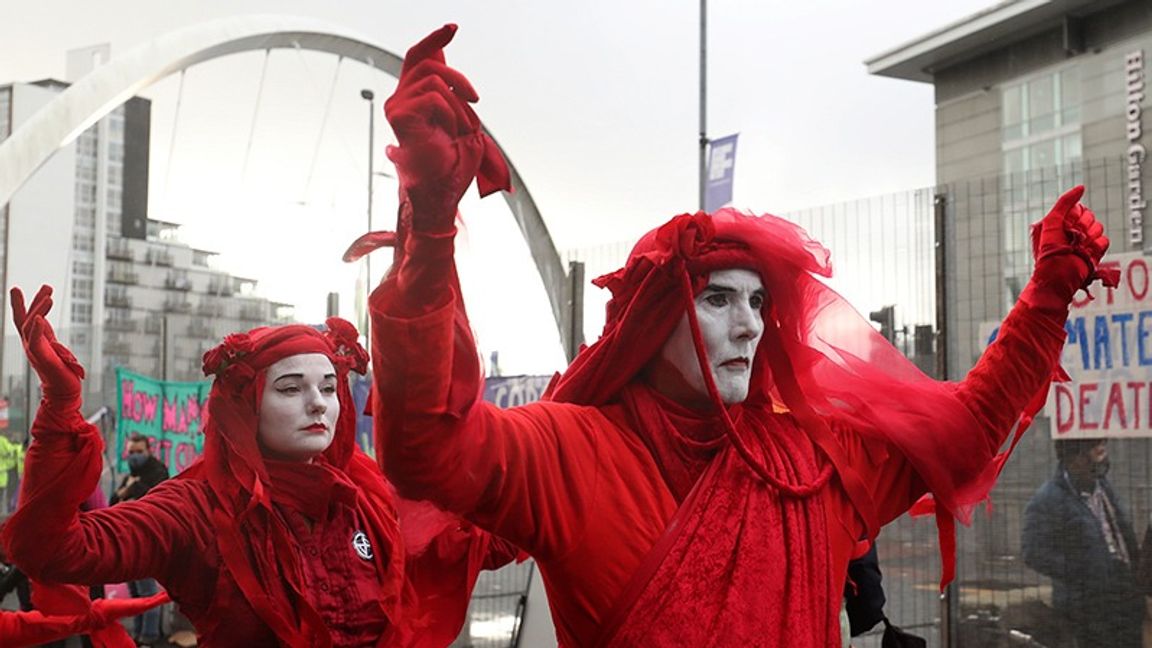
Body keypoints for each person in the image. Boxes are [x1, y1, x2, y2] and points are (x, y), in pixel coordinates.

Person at [362, 25, 1117, 647]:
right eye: (717, 299)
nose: (749, 323)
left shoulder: (813, 459)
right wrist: (429, 225)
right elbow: (429, 446)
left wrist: (1049, 290)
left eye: (758, 302)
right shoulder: (570, 451)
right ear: (653, 324)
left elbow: (969, 428)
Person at [0, 286, 507, 647]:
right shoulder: (194, 509)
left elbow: (484, 537)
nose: (318, 404)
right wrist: (60, 405)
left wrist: (575, 422)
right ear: (245, 407)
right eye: (291, 388)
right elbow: (50, 550)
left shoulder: (364, 498)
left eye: (329, 388)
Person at [1021, 439, 1144, 648]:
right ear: (1074, 458)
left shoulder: (1103, 487)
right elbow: (1033, 551)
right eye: (1093, 448)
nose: (1102, 454)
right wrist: (1080, 571)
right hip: (1087, 609)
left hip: (1124, 601)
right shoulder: (1048, 499)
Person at [109, 433, 169, 645]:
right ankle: (137, 636)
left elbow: (152, 498)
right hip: (128, 543)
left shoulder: (157, 473)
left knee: (147, 594)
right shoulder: (131, 476)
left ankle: (148, 637)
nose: (134, 457)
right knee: (135, 593)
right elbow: (113, 502)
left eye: (139, 452)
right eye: (131, 452)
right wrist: (126, 491)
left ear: (148, 452)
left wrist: (130, 490)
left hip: (148, 543)